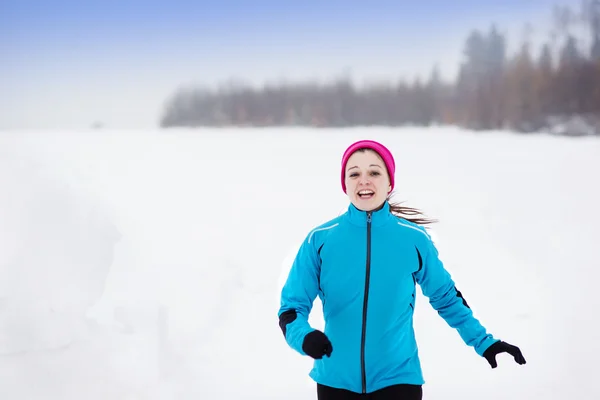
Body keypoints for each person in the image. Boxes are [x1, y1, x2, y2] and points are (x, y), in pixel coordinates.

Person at [277, 139, 526, 400]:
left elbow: (447, 298)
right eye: (355, 174)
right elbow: (291, 308)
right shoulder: (320, 240)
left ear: (389, 183)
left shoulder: (414, 239)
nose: (364, 181)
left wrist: (484, 342)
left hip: (399, 381)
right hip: (335, 382)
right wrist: (304, 337)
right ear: (345, 184)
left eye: (374, 172)